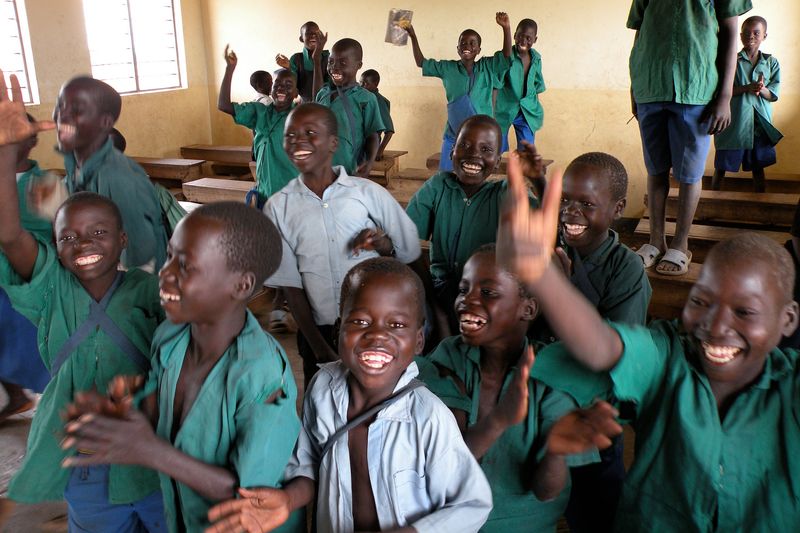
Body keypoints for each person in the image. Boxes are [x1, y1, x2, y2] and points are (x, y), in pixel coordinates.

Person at [498, 152, 800, 531]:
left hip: (599, 407)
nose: (716, 324)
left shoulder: (790, 388)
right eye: (700, 301)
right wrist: (540, 272)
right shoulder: (669, 353)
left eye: (745, 312)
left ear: (787, 320)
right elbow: (604, 347)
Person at [62, 202, 302, 532]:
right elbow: (159, 409)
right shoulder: (171, 337)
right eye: (169, 256)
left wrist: (150, 451)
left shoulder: (260, 374)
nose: (165, 272)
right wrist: (122, 413)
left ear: (241, 286)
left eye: (185, 266)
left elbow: (250, 496)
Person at [206, 257, 493, 533]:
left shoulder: (428, 417)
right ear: (337, 332)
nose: (377, 335)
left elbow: (471, 504)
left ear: (418, 341)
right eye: (360, 322)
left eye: (396, 325)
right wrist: (288, 499)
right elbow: (308, 462)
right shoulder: (323, 390)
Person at [0, 71, 166, 531]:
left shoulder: (146, 291)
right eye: (68, 236)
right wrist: (4, 152)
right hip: (86, 461)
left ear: (122, 240)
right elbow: (9, 233)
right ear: (55, 245)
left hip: (153, 455)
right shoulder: (52, 288)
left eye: (98, 233)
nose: (83, 243)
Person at [417, 245, 597, 532]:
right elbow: (447, 467)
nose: (467, 300)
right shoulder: (449, 356)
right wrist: (501, 418)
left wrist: (556, 451)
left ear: (528, 308)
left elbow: (546, 491)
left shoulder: (554, 378)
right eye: (464, 289)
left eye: (488, 293)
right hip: (451, 522)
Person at [264, 103, 420, 387]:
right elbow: (291, 285)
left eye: (310, 133)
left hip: (376, 325)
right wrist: (320, 348)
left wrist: (383, 245)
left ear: (333, 142)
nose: (298, 141)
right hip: (319, 331)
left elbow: (406, 254)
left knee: (381, 403)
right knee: (325, 407)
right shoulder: (278, 207)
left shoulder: (368, 193)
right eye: (290, 136)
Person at [546, 152, 651, 533]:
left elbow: (615, 354)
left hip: (597, 409)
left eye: (587, 204)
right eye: (566, 200)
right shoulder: (550, 246)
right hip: (546, 397)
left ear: (618, 208)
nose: (571, 213)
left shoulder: (627, 269)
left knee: (595, 508)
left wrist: (564, 289)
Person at [630, 0, 751, 276]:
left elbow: (731, 35)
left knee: (689, 173)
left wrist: (725, 95)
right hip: (651, 83)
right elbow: (639, 33)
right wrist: (634, 86)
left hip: (695, 86)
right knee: (656, 168)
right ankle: (655, 240)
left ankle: (680, 243)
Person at [405, 115, 537, 330]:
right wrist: (433, 303)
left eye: (486, 150)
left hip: (488, 295)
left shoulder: (504, 192)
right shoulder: (438, 186)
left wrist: (537, 181)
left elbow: (540, 217)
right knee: (418, 327)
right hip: (439, 289)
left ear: (496, 163)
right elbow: (405, 238)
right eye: (464, 145)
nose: (473, 154)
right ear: (451, 153)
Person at [54, 75, 168, 270]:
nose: (62, 115)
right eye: (59, 105)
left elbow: (140, 257)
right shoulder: (75, 165)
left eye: (76, 109)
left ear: (105, 122)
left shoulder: (118, 178)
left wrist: (117, 295)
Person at [404, 13, 512, 171]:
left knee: (478, 175)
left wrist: (506, 28)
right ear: (458, 48)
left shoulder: (487, 66)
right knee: (447, 175)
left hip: (482, 135)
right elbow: (421, 62)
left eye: (472, 43)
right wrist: (413, 36)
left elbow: (506, 56)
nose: (467, 46)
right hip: (455, 133)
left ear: (479, 49)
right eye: (463, 43)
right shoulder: (448, 68)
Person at [0, 113, 52, 422]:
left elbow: (63, 234)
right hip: (2, 283)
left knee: (34, 351)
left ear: (32, 140)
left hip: (29, 285)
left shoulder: (44, 185)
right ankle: (17, 397)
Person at [219, 46, 299, 206]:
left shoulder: (299, 115)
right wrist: (230, 69)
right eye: (277, 85)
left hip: (291, 196)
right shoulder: (259, 111)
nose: (281, 88)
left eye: (288, 85)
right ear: (271, 89)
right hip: (264, 191)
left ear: (296, 92)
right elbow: (224, 105)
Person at [712, 15, 781, 193]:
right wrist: (747, 88)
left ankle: (761, 205)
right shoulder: (731, 61)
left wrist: (761, 88)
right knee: (721, 166)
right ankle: (709, 202)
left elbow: (772, 94)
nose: (751, 36)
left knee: (758, 168)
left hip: (759, 124)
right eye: (746, 33)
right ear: (740, 36)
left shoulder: (771, 63)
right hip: (734, 122)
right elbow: (721, 92)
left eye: (756, 33)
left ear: (764, 36)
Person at [310, 35, 385, 178]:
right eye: (331, 62)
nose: (334, 68)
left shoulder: (366, 98)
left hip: (348, 171)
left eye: (342, 63)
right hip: (317, 170)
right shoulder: (323, 94)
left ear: (358, 65)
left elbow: (373, 135)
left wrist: (369, 164)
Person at [494, 18, 545, 153]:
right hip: (504, 109)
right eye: (520, 36)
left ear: (535, 39)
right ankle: (496, 165)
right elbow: (496, 84)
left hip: (526, 111)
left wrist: (534, 108)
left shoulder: (536, 59)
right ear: (515, 36)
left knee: (527, 151)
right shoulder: (505, 56)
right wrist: (491, 111)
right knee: (495, 147)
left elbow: (537, 85)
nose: (523, 41)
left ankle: (522, 172)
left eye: (528, 38)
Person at [276, 21, 330, 103]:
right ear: (301, 39)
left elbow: (326, 91)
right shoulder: (296, 59)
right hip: (305, 106)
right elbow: (294, 92)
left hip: (326, 105)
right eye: (308, 33)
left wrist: (317, 58)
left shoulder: (328, 58)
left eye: (316, 33)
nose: (313, 35)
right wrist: (289, 68)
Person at [359, 69, 394, 161]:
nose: (361, 86)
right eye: (360, 83)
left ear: (375, 84)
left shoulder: (378, 102)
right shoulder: (361, 98)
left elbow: (389, 131)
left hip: (369, 147)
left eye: (365, 84)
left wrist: (380, 150)